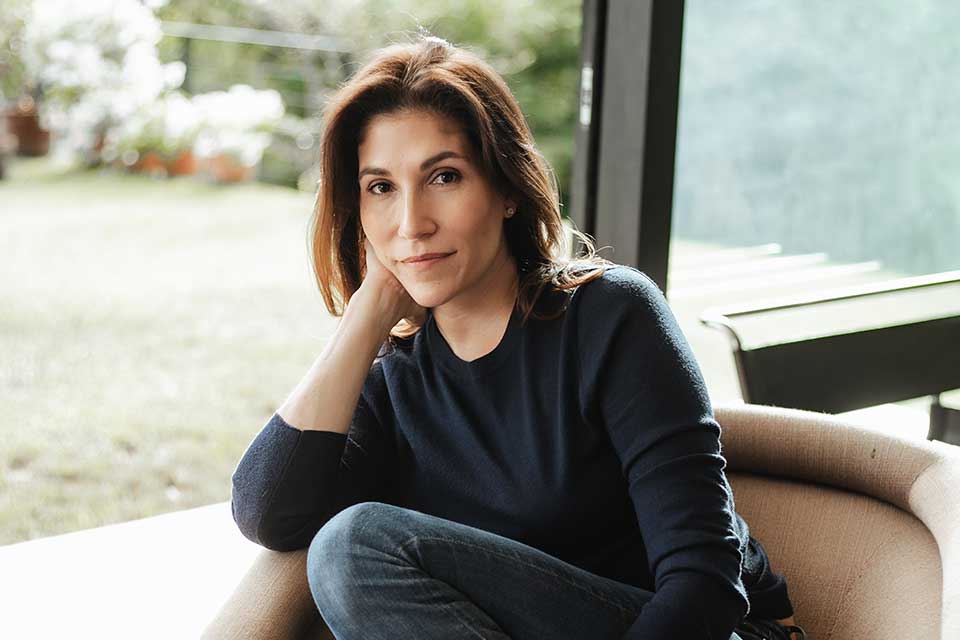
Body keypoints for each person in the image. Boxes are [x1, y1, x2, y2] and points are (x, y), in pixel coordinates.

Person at [230, 33, 806, 640]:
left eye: (444, 177)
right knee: (343, 552)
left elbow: (706, 585)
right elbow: (269, 514)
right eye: (380, 188)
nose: (411, 224)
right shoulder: (396, 375)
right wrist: (368, 313)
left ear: (505, 188)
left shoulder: (610, 316)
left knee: (353, 547)